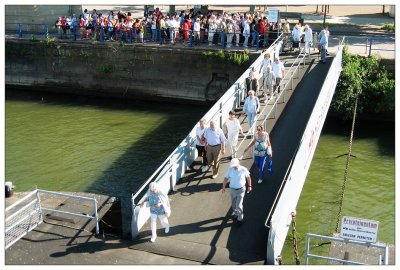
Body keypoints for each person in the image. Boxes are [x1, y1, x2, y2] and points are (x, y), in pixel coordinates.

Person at [221, 158, 252, 226]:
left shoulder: (243, 169)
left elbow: (248, 177)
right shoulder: (230, 169)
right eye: (233, 166)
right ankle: (236, 213)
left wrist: (249, 186)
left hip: (241, 190)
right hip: (232, 190)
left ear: (238, 163)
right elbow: (226, 178)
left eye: (235, 165)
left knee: (239, 205)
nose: (234, 167)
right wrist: (223, 187)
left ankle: (240, 218)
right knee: (233, 204)